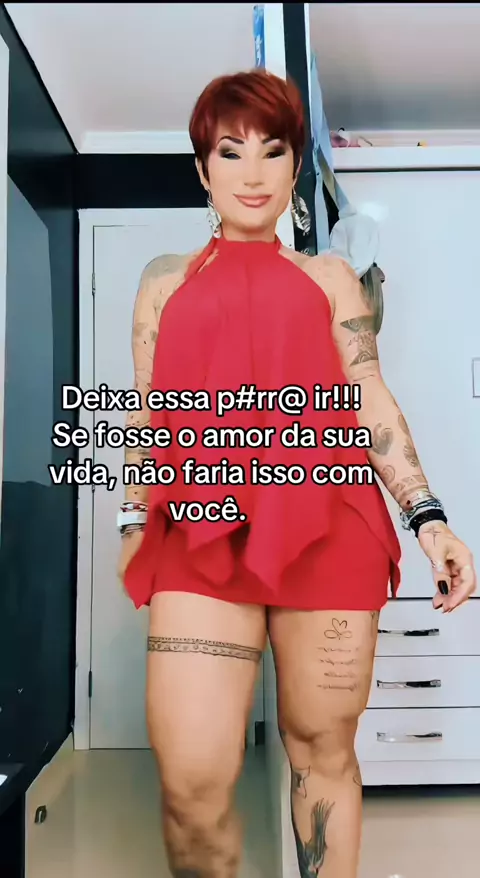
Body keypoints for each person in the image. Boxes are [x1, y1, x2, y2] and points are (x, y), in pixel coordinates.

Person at [117, 70, 476, 878]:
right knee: (192, 783)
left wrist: (429, 518)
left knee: (323, 755)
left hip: (330, 529)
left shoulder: (331, 280)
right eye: (230, 151)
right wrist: (134, 519)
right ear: (202, 170)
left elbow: (369, 397)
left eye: (273, 151)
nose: (252, 172)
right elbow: (150, 415)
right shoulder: (163, 281)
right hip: (202, 533)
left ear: (293, 170)